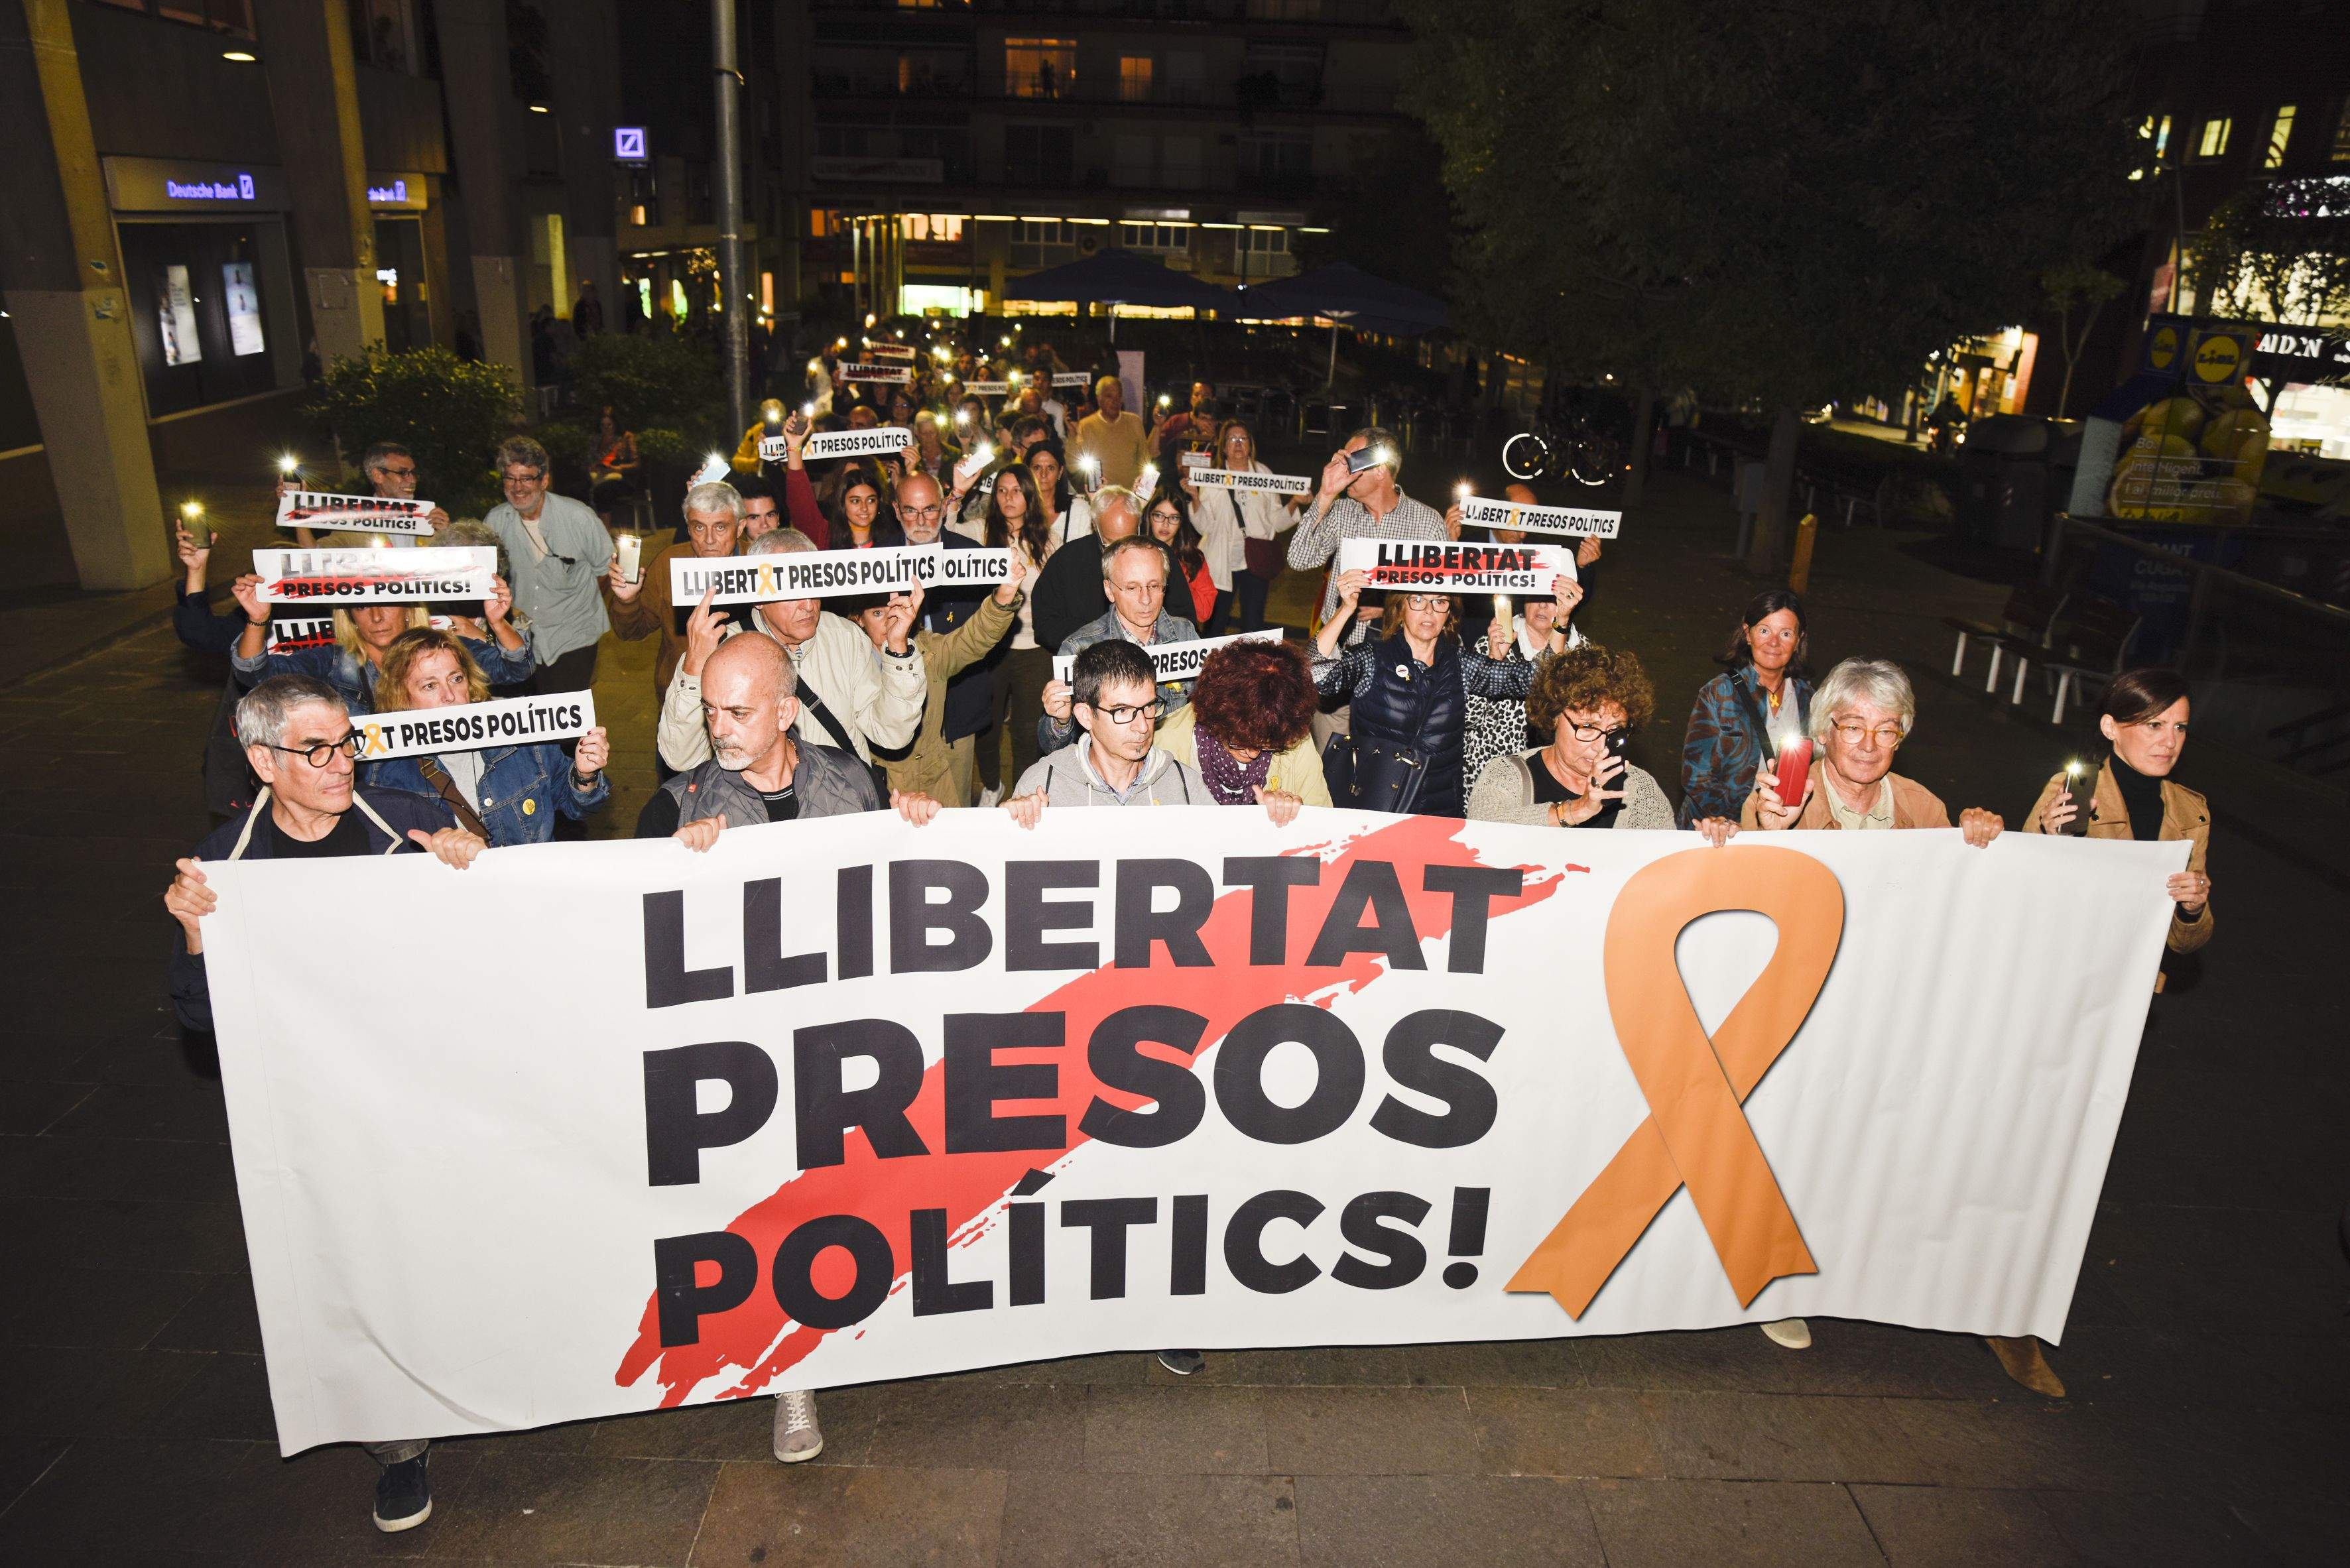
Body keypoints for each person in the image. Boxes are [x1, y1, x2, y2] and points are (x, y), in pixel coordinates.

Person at [163, 674, 485, 1536]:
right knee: (357, 1269)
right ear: (263, 759)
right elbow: (199, 1018)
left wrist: (466, 862)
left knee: (449, 1248)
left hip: (424, 1092)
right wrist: (198, 934)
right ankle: (399, 1446)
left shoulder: (400, 814)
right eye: (317, 749)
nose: (341, 763)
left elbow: (494, 935)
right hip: (323, 1116)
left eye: (348, 742)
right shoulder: (226, 861)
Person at [1736, 655, 2004, 1361]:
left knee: (1852, 1148)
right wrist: (1767, 823)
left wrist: (1981, 843)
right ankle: (1774, 1287)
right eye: (1852, 726)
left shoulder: (1922, 810)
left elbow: (1961, 910)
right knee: (1779, 1148)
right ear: (1823, 731)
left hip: (1881, 1015)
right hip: (1792, 1010)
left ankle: (1845, 1270)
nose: (1867, 744)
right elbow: (1746, 880)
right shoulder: (1786, 791)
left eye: (1886, 731)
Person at [656, 528, 926, 776]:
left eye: (814, 588)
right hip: (758, 810)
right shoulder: (724, 649)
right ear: (758, 597)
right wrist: (694, 667)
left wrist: (898, 650)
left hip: (841, 801)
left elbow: (892, 734)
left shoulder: (845, 636)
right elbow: (682, 757)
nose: (808, 605)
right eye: (794, 592)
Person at [2023, 666, 2212, 977]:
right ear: (2110, 727)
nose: (2170, 741)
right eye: (2155, 725)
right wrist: (2048, 838)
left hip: (2131, 979)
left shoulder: (2191, 812)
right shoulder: (2076, 791)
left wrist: (2193, 909)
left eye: (2180, 727)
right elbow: (2027, 889)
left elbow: (2184, 943)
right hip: (2061, 967)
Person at [1312, 572, 1542, 817]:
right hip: (1375, 805)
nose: (1429, 611)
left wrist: (1561, 621)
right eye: (1418, 600)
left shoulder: (1462, 664)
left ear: (1449, 614)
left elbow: (1536, 679)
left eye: (1440, 602)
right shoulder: (1372, 657)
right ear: (1400, 608)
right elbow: (1318, 676)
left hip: (1439, 810)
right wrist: (1346, 609)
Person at [366, 628, 611, 845]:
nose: (449, 695)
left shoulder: (520, 736)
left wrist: (584, 775)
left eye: (456, 679)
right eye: (430, 686)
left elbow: (578, 807)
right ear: (403, 698)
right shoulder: (386, 771)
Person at [229, 566, 532, 717]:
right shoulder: (334, 663)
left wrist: (497, 622)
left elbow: (517, 668)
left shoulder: (443, 650)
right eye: (361, 607)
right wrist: (257, 619)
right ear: (349, 616)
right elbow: (255, 676)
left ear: (409, 606)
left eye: (386, 603)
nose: (375, 617)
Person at [843, 560, 1028, 804]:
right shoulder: (847, 660)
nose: (891, 620)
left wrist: (1004, 595)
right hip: (877, 788)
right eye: (878, 613)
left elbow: (973, 638)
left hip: (932, 784)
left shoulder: (928, 653)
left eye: (896, 609)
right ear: (859, 619)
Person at [1468, 643, 1684, 829]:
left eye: (1615, 730)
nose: (1601, 747)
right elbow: (1481, 835)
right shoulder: (1508, 777)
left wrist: (1707, 842)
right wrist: (1575, 810)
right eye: (1588, 726)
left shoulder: (1640, 790)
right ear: (1553, 716)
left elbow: (1665, 867)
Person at [1038, 535, 1202, 754]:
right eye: (1132, 588)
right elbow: (1052, 747)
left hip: (1174, 764)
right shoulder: (1080, 648)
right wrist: (1060, 720)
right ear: (1109, 590)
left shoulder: (1184, 634)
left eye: (1154, 586)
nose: (1146, 599)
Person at [1286, 428, 1448, 638]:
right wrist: (1325, 494)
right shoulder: (1341, 512)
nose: (1344, 468)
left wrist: (1392, 608)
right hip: (1340, 646)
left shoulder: (1427, 521)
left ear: (1380, 470)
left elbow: (1440, 595)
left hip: (1397, 648)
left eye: (1352, 461)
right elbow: (1299, 560)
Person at [485, 436, 614, 695]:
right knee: (530, 721)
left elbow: (607, 570)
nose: (517, 487)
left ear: (544, 480)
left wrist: (580, 606)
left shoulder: (579, 517)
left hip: (574, 636)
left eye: (526, 478)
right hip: (521, 639)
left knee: (569, 725)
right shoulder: (495, 521)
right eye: (510, 478)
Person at [1680, 589, 1814, 828]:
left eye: (1785, 634)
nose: (1774, 642)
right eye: (1764, 630)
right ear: (1748, 634)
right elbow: (1696, 777)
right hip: (1718, 828)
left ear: (1798, 640)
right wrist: (1738, 821)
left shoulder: (1808, 698)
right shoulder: (1719, 694)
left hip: (1780, 825)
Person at [607, 479, 747, 698]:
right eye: (699, 527)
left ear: (740, 528)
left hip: (747, 692)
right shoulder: (669, 563)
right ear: (688, 527)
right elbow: (630, 632)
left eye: (720, 527)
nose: (709, 540)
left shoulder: (759, 562)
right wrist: (627, 602)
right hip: (683, 696)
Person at [1153, 639, 1329, 812]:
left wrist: (1295, 817)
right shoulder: (1168, 745)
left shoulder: (1291, 738)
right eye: (1239, 741)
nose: (1253, 753)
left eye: (1266, 745)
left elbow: (1324, 824)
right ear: (1216, 721)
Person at [971, 462, 1060, 801]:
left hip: (1034, 648)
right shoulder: (980, 532)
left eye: (1017, 491)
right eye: (1002, 490)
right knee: (987, 728)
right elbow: (941, 530)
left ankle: (1022, 796)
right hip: (989, 648)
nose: (1009, 498)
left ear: (1029, 496)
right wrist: (957, 493)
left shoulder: (1047, 540)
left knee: (1026, 731)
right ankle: (993, 786)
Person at [1463, 576, 1588, 779]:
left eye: (1551, 599)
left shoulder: (1581, 653)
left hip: (1553, 775)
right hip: (1491, 772)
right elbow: (1468, 718)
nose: (1541, 605)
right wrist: (1494, 660)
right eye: (1535, 596)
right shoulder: (1490, 644)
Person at [1191, 419, 1295, 634]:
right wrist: (1194, 499)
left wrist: (1294, 502)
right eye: (1232, 439)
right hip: (1221, 561)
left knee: (1253, 625)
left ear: (1250, 445)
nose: (1238, 443)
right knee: (1215, 623)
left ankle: (1250, 667)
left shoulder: (1264, 474)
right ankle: (1211, 667)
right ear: (1224, 447)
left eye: (1242, 439)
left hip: (1255, 561)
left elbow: (1276, 521)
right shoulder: (1213, 477)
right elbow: (1205, 527)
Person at [277, 440, 452, 548]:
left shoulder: (428, 520)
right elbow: (313, 555)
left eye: (413, 473)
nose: (412, 480)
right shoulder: (355, 520)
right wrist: (296, 508)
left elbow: (457, 569)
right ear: (378, 475)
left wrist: (446, 535)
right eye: (403, 473)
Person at [1143, 478, 1219, 631]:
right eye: (1159, 516)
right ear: (1149, 517)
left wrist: (1176, 576)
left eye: (1174, 518)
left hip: (1178, 636)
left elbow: (1204, 612)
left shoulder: (1192, 558)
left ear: (1181, 522)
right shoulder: (1133, 552)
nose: (1166, 524)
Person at [1072, 373, 1151, 491]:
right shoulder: (1086, 425)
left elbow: (1145, 460)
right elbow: (1078, 465)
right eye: (1109, 396)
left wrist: (1144, 496)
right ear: (1099, 398)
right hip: (1101, 499)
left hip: (1132, 498)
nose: (1115, 401)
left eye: (1118, 397)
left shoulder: (1134, 421)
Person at [1028, 439, 1094, 547]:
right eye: (1037, 467)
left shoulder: (1079, 510)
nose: (1043, 474)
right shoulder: (1017, 510)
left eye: (1050, 468)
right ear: (1028, 471)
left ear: (1060, 472)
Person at [588, 406, 641, 526]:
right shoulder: (596, 440)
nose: (606, 429)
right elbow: (589, 461)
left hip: (622, 479)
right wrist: (593, 467)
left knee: (602, 491)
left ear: (615, 424)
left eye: (609, 425)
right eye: (603, 426)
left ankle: (604, 531)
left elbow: (636, 464)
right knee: (580, 489)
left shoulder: (626, 438)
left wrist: (619, 468)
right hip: (599, 476)